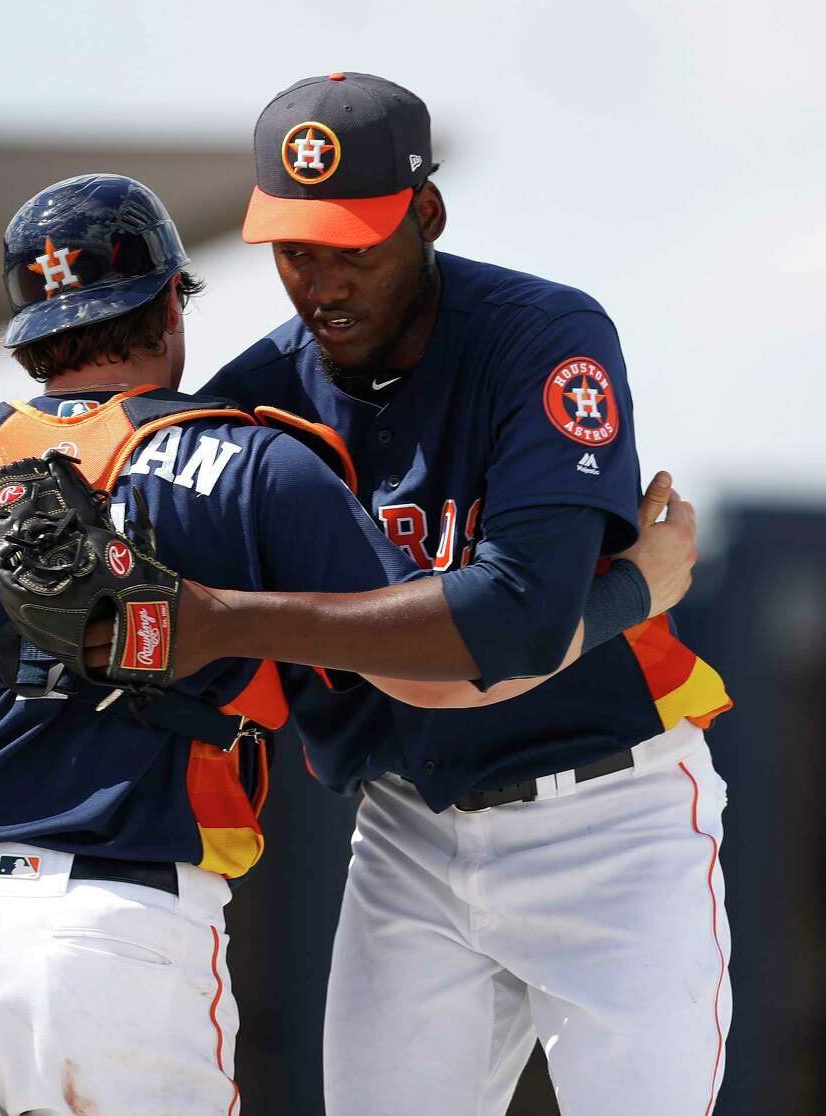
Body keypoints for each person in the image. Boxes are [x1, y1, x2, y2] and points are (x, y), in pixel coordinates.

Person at [0, 173, 690, 1116]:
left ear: (26, 335)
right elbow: (445, 675)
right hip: (120, 928)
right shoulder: (254, 460)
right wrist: (633, 590)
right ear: (172, 301)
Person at [179, 72, 732, 1116]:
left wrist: (237, 617)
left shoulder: (541, 335)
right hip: (408, 833)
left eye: (357, 244)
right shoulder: (251, 404)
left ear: (426, 214)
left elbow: (512, 623)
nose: (325, 282)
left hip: (611, 820)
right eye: (298, 249)